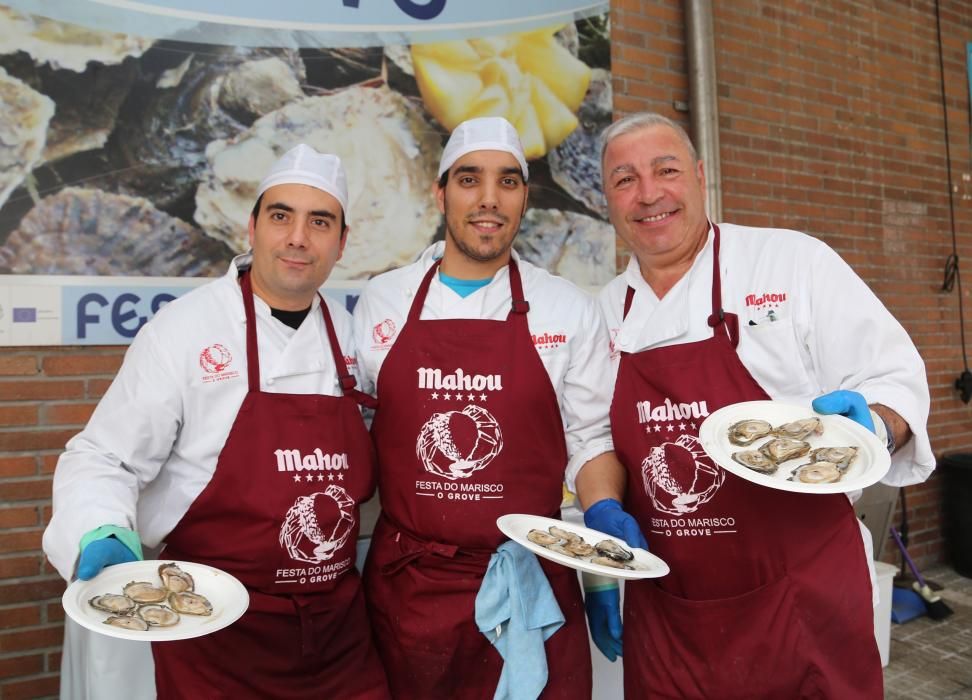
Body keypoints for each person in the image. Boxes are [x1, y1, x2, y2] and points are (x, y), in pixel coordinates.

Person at [575, 112, 934, 699]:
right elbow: (594, 439)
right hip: (671, 613)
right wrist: (602, 517)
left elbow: (895, 376)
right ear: (607, 200)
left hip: (803, 596)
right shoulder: (602, 311)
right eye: (624, 179)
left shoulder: (791, 264)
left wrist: (874, 425)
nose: (648, 194)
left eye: (665, 170)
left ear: (697, 175)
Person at [43, 144, 390, 699]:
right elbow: (104, 456)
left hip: (334, 632)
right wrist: (99, 527)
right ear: (251, 227)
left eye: (319, 221)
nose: (298, 237)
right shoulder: (184, 330)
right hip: (209, 624)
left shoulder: (354, 339)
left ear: (342, 242)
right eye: (281, 216)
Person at [352, 116, 620, 699]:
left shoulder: (565, 307)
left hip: (533, 579)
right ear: (440, 191)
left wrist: (602, 538)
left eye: (508, 181)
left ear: (525, 196)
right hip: (412, 589)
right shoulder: (383, 300)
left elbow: (591, 439)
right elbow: (358, 427)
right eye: (469, 179)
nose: (489, 199)